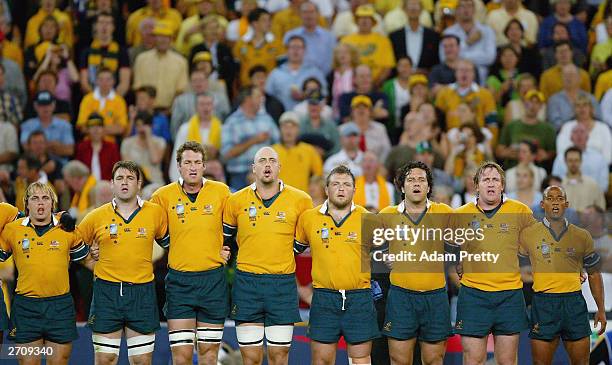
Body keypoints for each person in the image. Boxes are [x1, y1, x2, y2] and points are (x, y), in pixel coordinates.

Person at [222, 147, 313, 365]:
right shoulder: (236, 201)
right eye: (262, 161)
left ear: (280, 167)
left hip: (281, 284)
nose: (267, 164)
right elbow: (223, 236)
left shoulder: (301, 200)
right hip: (247, 283)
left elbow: (305, 240)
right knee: (250, 357)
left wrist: (280, 254)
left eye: (272, 160)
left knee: (279, 356)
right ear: (254, 168)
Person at [77, 161, 169, 365]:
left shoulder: (155, 213)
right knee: (105, 359)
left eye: (130, 178)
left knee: (142, 361)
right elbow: (72, 245)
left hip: (142, 293)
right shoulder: (95, 216)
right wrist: (92, 262)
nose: (124, 183)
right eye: (119, 178)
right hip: (107, 294)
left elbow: (173, 243)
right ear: (112, 184)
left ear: (139, 183)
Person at [150, 141, 231, 365]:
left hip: (212, 281)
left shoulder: (221, 191)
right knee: (182, 355)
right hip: (180, 282)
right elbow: (153, 228)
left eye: (197, 162)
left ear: (204, 166)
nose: (192, 167)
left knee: (209, 354)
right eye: (187, 162)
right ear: (179, 166)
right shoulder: (162, 196)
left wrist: (227, 248)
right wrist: (175, 243)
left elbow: (238, 223)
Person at [0, 182, 95, 365]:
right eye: (35, 199)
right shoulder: (12, 229)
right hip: (26, 309)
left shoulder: (68, 230)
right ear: (27, 204)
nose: (40, 203)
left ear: (53, 203)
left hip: (60, 307)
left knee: (58, 362)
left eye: (45, 198)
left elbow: (87, 260)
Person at [451, 161, 535, 365]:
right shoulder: (460, 215)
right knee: (473, 359)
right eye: (485, 179)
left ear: (502, 185)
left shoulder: (520, 211)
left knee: (507, 361)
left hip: (509, 295)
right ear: (476, 185)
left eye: (495, 179)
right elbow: (447, 253)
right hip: (473, 296)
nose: (491, 183)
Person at [294, 165, 378, 364]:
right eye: (336, 184)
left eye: (347, 184)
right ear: (326, 189)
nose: (341, 189)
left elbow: (386, 259)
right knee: (321, 360)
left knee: (361, 360)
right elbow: (288, 255)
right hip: (324, 297)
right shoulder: (308, 218)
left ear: (354, 190)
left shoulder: (370, 219)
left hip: (359, 298)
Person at [519, 185, 607, 365]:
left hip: (573, 303)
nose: (555, 202)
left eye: (559, 198)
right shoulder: (528, 235)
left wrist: (601, 309)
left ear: (566, 204)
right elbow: (513, 266)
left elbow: (594, 274)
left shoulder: (582, 236)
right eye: (550, 198)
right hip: (543, 304)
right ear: (542, 204)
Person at [379, 161, 454, 365]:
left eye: (421, 179)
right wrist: (383, 255)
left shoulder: (445, 213)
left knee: (434, 360)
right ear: (402, 186)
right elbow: (366, 247)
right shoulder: (386, 215)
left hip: (435, 296)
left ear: (429, 187)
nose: (416, 183)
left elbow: (464, 244)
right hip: (401, 297)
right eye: (411, 179)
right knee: (399, 360)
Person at [221, 86, 280, 191]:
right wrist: (254, 140)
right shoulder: (232, 122)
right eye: (258, 96)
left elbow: (279, 144)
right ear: (248, 100)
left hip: (265, 173)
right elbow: (226, 154)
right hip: (240, 175)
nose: (262, 99)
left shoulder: (266, 119)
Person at [132, 21, 189, 110]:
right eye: (160, 36)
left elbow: (180, 90)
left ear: (171, 39)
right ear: (154, 38)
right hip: (146, 110)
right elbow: (138, 87)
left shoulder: (181, 61)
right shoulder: (141, 59)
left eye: (166, 37)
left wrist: (170, 110)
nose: (163, 40)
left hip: (169, 111)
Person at [265, 35, 326, 110]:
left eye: (299, 47)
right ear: (286, 50)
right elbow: (268, 98)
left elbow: (324, 96)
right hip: (282, 117)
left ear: (305, 50)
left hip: (308, 117)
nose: (295, 51)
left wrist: (306, 95)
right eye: (292, 47)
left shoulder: (315, 72)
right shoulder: (276, 74)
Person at [170, 93, 222, 182]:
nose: (205, 108)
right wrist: (178, 181)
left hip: (214, 173)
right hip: (190, 170)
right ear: (196, 107)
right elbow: (178, 155)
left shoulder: (221, 128)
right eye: (202, 104)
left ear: (213, 106)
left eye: (208, 104)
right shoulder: (185, 129)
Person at [441, 0, 496, 83]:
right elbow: (444, 58)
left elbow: (490, 57)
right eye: (462, 6)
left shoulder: (487, 31)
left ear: (474, 10)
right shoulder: (448, 32)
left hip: (482, 79)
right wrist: (467, 42)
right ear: (457, 10)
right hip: (454, 79)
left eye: (469, 6)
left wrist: (459, 56)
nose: (466, 9)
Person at [341, 5, 395, 86]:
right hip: (351, 86)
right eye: (361, 18)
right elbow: (341, 65)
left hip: (376, 86)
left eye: (368, 18)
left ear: (373, 22)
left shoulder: (383, 40)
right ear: (356, 21)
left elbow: (387, 68)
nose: (364, 21)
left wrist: (374, 84)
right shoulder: (346, 40)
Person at [272, 111, 322, 193]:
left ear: (298, 129)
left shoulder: (309, 150)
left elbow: (319, 174)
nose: (288, 131)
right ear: (280, 129)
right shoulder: (272, 151)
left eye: (292, 127)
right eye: (285, 127)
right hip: (277, 200)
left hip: (301, 199)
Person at [555, 94, 611, 165]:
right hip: (571, 167)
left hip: (597, 167)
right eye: (578, 105)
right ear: (574, 109)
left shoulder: (603, 128)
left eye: (585, 105)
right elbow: (561, 152)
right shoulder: (567, 127)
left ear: (591, 108)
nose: (581, 108)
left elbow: (608, 156)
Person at [284, 1, 337, 76]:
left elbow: (331, 62)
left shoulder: (329, 37)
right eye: (305, 12)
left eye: (312, 12)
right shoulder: (290, 35)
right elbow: (287, 60)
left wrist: (317, 77)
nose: (308, 16)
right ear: (300, 14)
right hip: (295, 77)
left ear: (318, 14)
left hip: (323, 78)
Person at [552, 123, 609, 192]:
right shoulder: (560, 158)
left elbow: (603, 185)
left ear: (588, 136)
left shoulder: (599, 158)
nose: (579, 135)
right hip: (567, 196)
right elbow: (554, 182)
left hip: (592, 196)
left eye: (582, 132)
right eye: (575, 132)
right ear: (571, 137)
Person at [20, 91, 74, 161]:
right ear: (35, 106)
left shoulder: (65, 125)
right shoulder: (27, 125)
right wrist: (55, 146)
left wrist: (38, 145)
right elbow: (27, 148)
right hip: (35, 164)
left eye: (48, 105)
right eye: (41, 105)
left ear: (53, 105)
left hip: (60, 165)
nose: (45, 108)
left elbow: (70, 150)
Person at [76, 67, 128, 139]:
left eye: (108, 79)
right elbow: (82, 127)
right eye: (101, 79)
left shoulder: (119, 101)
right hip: (89, 142)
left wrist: (94, 128)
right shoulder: (87, 99)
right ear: (96, 81)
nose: (104, 83)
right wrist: (108, 128)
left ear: (113, 81)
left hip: (110, 144)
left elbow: (121, 128)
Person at [389, 0, 440, 72]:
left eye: (416, 4)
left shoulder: (434, 36)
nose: (413, 8)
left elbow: (436, 62)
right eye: (410, 5)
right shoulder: (394, 37)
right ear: (404, 9)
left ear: (422, 9)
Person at [121, 112, 166, 186]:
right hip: (134, 183)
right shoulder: (127, 143)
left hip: (155, 182)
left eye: (144, 125)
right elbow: (128, 168)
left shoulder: (160, 142)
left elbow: (155, 160)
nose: (141, 128)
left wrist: (148, 137)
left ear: (151, 126)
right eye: (138, 125)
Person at [75, 112, 121, 182]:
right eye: (92, 126)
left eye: (99, 126)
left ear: (103, 129)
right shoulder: (82, 147)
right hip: (86, 188)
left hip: (108, 187)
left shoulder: (112, 147)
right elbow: (78, 171)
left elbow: (117, 171)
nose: (96, 129)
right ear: (88, 129)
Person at [561, 147, 607, 212]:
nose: (573, 164)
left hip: (588, 222)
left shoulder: (592, 184)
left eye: (576, 160)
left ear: (581, 161)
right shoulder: (559, 185)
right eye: (570, 160)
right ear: (565, 161)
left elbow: (601, 208)